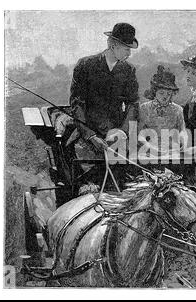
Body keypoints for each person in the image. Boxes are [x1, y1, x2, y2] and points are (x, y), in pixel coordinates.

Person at [66, 23, 140, 194]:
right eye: (126, 48)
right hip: (87, 133)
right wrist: (90, 135)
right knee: (84, 178)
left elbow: (133, 104)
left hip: (116, 136)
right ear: (112, 45)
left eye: (130, 49)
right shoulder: (85, 65)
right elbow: (77, 104)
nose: (129, 53)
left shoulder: (128, 70)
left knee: (127, 180)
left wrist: (122, 132)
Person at [138, 65, 186, 156]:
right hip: (150, 151)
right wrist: (151, 148)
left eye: (169, 93)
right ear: (154, 92)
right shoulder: (145, 108)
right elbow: (140, 135)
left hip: (172, 151)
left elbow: (182, 130)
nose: (165, 96)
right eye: (161, 93)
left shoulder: (178, 110)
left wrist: (183, 141)